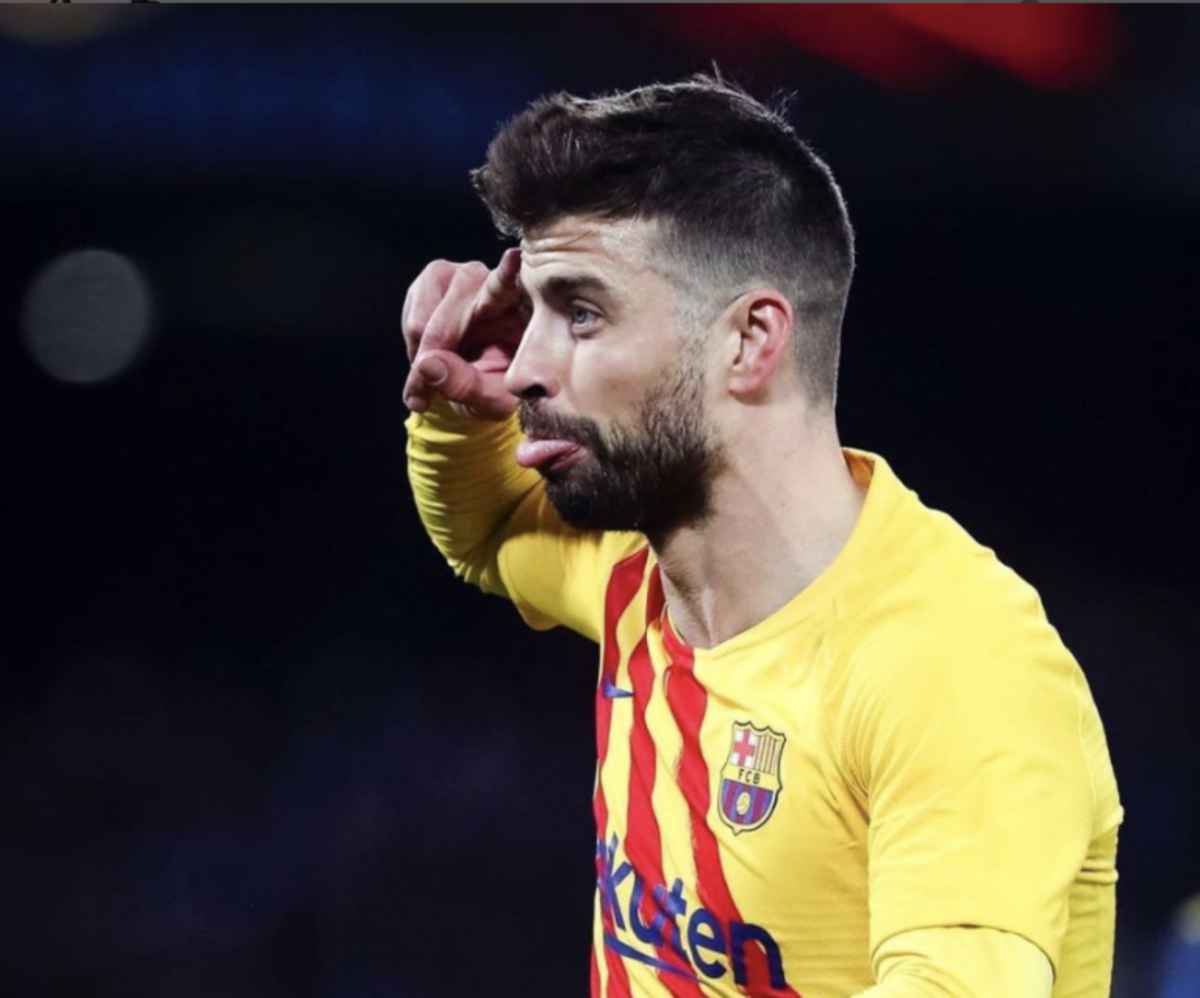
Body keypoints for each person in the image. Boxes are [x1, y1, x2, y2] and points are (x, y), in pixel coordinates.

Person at [401, 75, 1122, 998]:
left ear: (749, 340)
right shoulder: (642, 574)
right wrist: (461, 418)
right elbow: (494, 530)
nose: (527, 367)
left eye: (580, 312)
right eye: (532, 311)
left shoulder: (954, 661)